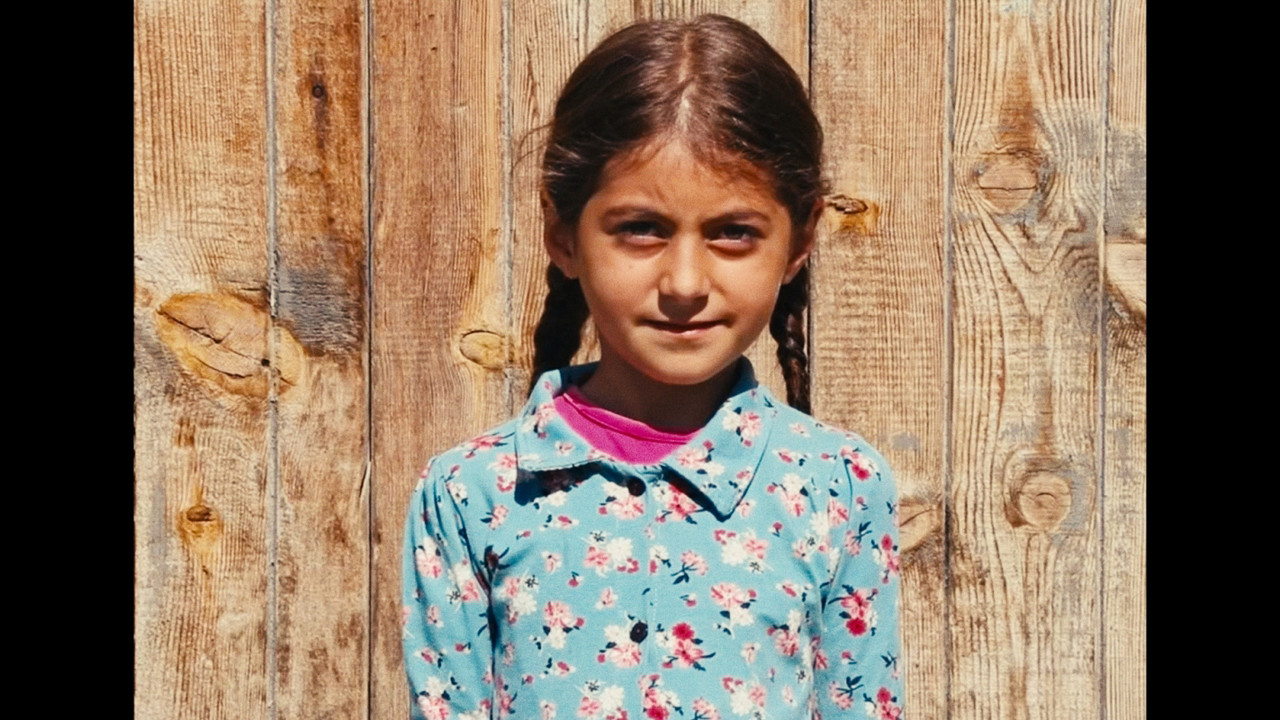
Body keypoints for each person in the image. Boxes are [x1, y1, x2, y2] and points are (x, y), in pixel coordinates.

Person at [403, 14, 903, 720]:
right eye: (641, 229)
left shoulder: (839, 485)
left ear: (799, 242)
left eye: (734, 233)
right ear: (562, 235)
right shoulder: (472, 493)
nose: (685, 283)